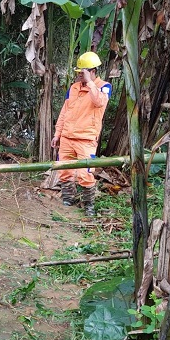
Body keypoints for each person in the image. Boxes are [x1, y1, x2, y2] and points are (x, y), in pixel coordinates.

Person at [50, 51, 112, 216]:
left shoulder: (104, 87)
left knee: (85, 174)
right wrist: (57, 134)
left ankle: (89, 205)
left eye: (82, 73)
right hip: (67, 137)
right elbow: (65, 112)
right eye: (79, 73)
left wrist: (90, 83)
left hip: (86, 139)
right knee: (64, 171)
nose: (79, 76)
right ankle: (68, 199)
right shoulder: (74, 88)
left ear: (92, 71)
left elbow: (99, 102)